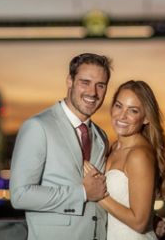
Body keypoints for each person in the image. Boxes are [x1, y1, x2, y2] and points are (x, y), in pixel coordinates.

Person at [10, 53, 112, 240]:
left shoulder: (101, 136)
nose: (93, 92)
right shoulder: (38, 127)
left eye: (101, 85)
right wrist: (81, 193)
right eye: (85, 82)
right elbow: (20, 195)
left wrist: (147, 220)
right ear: (70, 81)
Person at [85, 80, 165, 239]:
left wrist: (99, 196)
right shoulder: (113, 147)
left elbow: (139, 222)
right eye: (118, 106)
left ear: (145, 118)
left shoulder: (138, 155)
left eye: (133, 111)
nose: (122, 116)